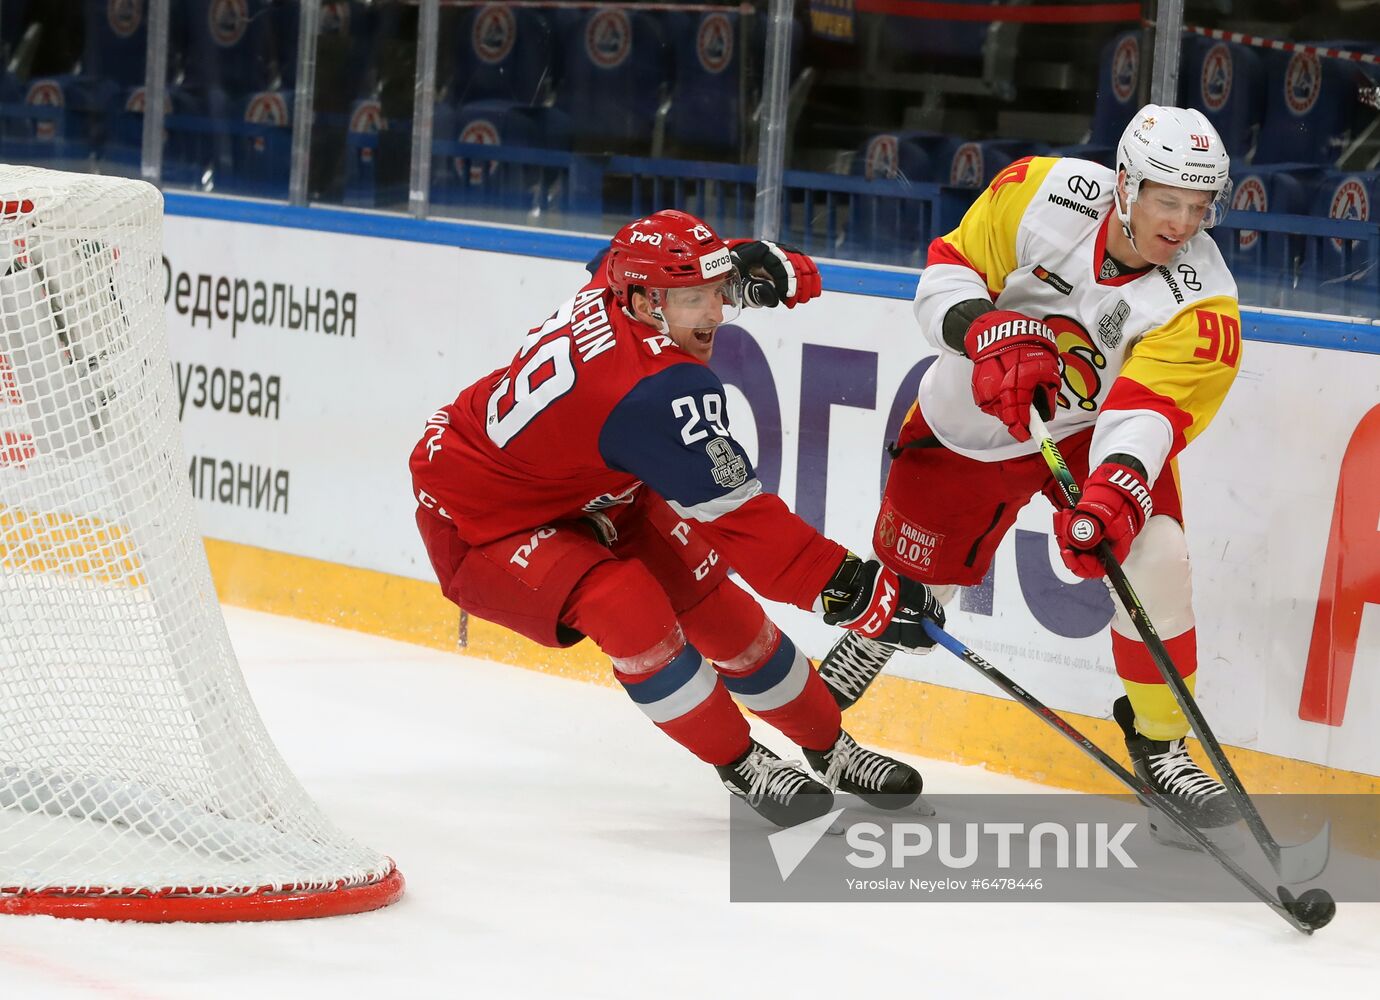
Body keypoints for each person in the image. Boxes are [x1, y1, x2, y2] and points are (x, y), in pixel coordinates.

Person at [409, 209, 946, 828]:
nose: (716, 314)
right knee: (624, 601)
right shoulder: (653, 390)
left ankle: (832, 745)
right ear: (642, 301)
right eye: (695, 300)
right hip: (480, 517)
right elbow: (747, 526)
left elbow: (637, 247)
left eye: (717, 294)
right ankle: (742, 763)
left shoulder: (617, 279)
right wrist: (856, 591)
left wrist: (740, 261)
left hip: (598, 485)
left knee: (716, 606)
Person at [819, 105, 1243, 834]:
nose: (1181, 223)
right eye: (1166, 200)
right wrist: (985, 330)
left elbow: (1147, 414)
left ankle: (1161, 743)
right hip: (982, 404)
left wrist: (1115, 489)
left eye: (1199, 207)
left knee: (1156, 556)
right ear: (1125, 184)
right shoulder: (1041, 191)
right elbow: (945, 274)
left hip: (1095, 431)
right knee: (914, 585)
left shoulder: (1204, 302)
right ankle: (843, 684)